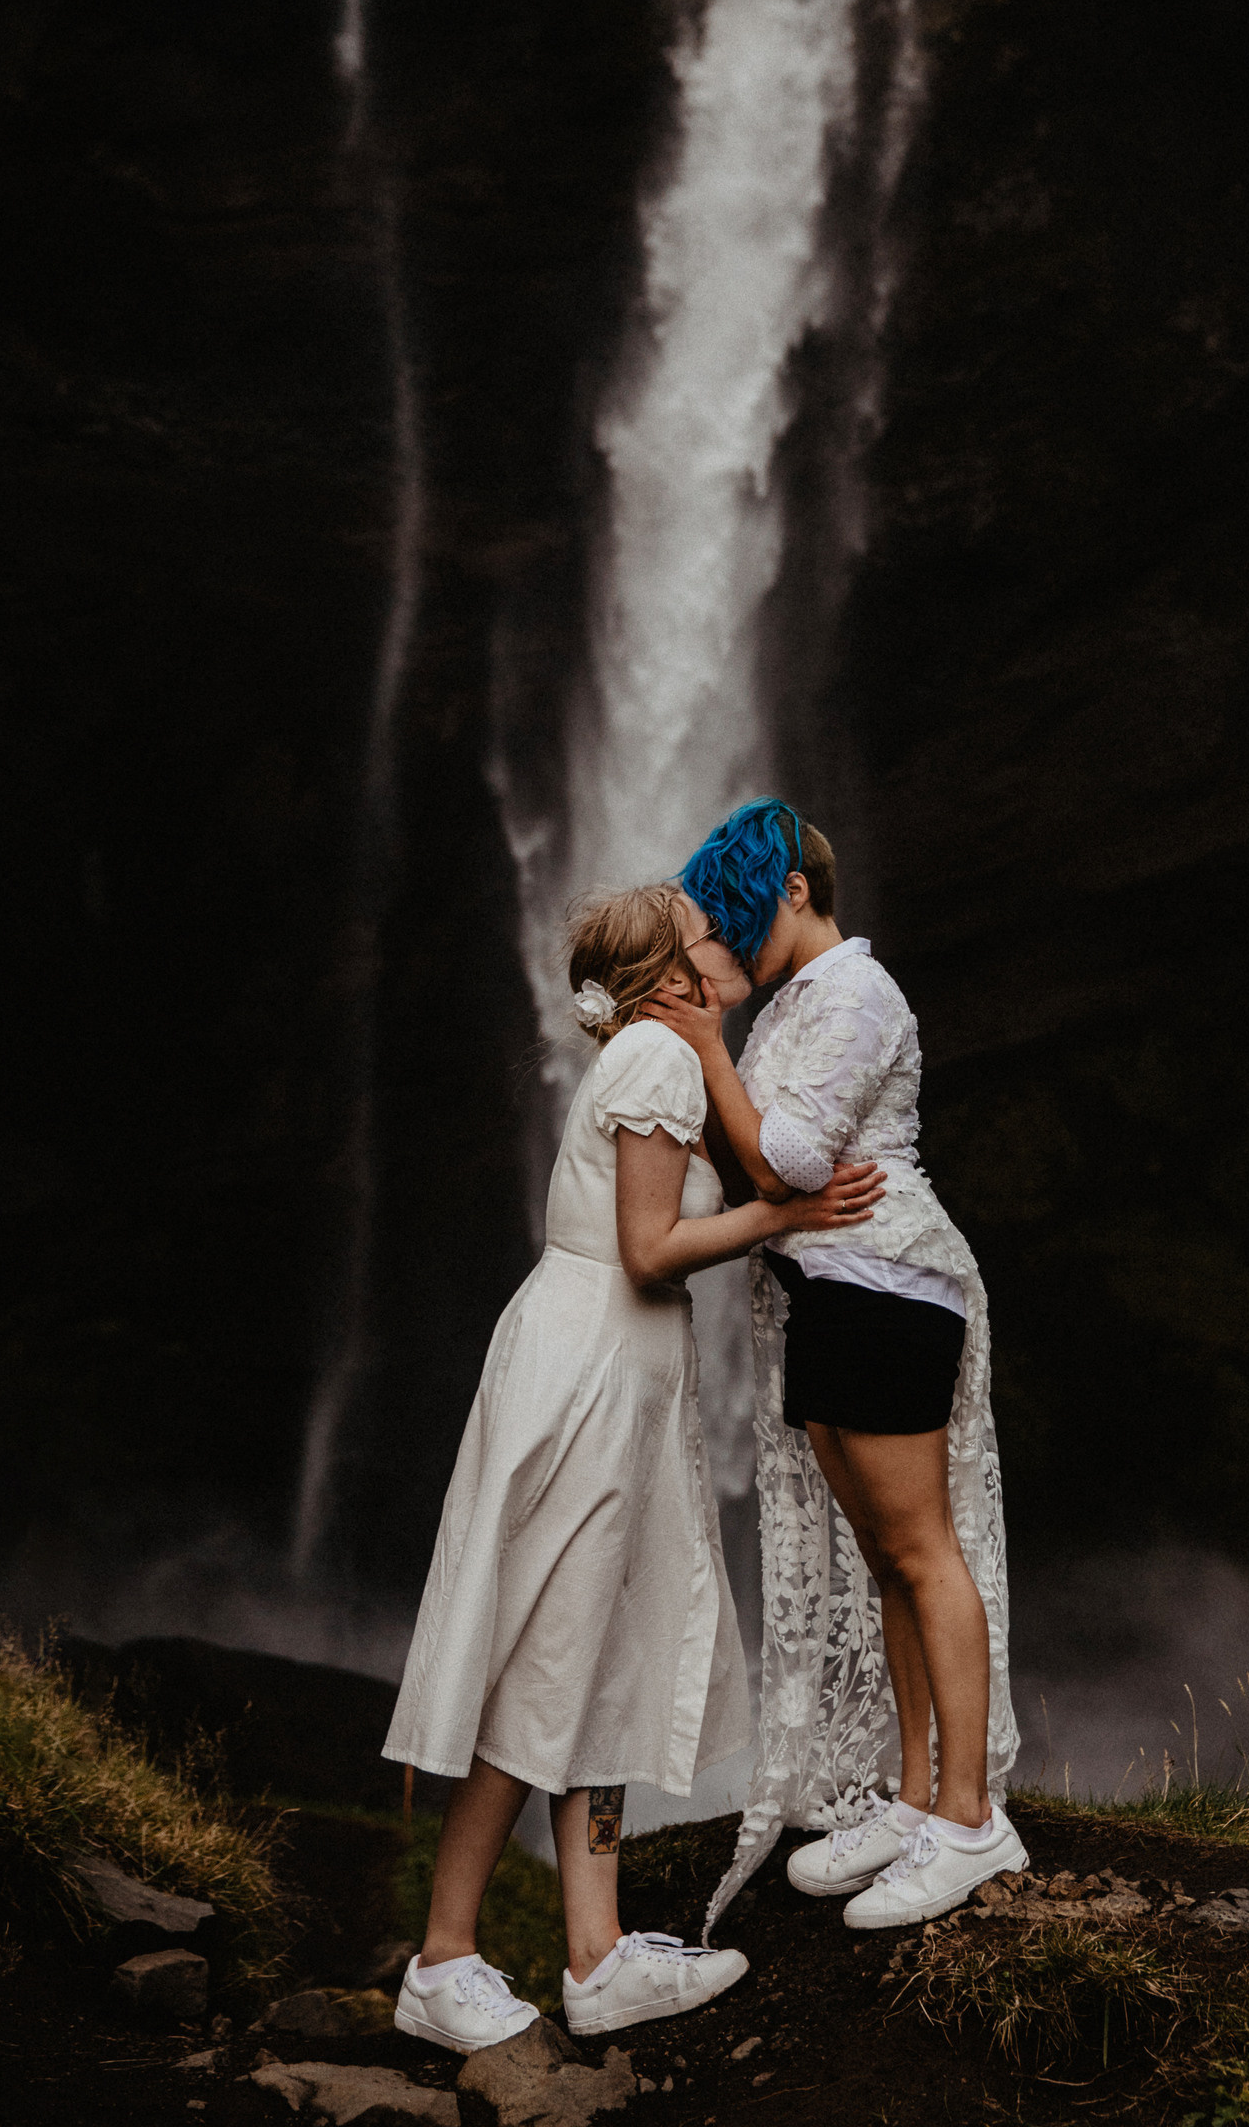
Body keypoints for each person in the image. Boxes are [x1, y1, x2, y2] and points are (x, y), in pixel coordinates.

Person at [382, 881, 885, 2050]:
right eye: (711, 933)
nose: (731, 936)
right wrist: (788, 1223)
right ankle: (442, 1957)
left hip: (615, 1370)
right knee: (551, 1656)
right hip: (595, 1375)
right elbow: (652, 1250)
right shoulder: (654, 1064)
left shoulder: (663, 1052)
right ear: (671, 976)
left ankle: (596, 1953)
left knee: (598, 1658)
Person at [643, 800, 1020, 1936]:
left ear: (795, 891)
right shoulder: (790, 1010)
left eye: (741, 913)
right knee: (881, 1560)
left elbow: (792, 1156)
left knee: (920, 1548)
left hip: (889, 1286)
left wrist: (710, 1051)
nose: (728, 945)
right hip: (824, 1293)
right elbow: (742, 1159)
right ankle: (913, 1799)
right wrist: (705, 1071)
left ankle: (968, 1818)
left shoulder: (858, 991)